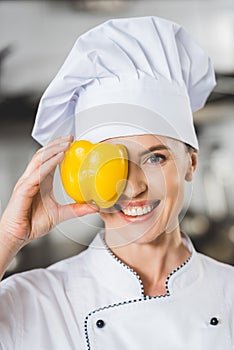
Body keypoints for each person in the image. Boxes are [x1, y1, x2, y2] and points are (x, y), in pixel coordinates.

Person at [0, 16, 233, 350]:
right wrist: (8, 236)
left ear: (190, 163)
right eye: (111, 165)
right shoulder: (37, 303)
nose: (134, 187)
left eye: (155, 158)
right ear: (84, 176)